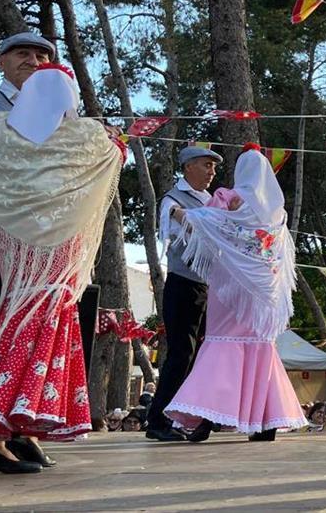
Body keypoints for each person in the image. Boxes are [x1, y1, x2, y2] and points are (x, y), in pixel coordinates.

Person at [0, 63, 123, 474]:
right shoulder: (87, 138)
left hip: (14, 262)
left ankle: (12, 428)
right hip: (56, 260)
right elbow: (114, 157)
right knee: (35, 332)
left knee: (12, 329)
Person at [162, 148, 308, 442]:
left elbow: (208, 224)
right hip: (263, 293)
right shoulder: (276, 210)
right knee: (260, 350)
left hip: (230, 289)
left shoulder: (229, 199)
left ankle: (204, 420)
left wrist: (175, 212)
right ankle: (266, 424)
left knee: (221, 348)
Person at [146, 144, 223, 442]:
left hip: (209, 286)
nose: (212, 172)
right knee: (181, 354)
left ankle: (189, 417)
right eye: (206, 165)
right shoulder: (171, 200)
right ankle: (157, 421)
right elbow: (182, 231)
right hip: (183, 283)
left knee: (204, 353)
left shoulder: (210, 201)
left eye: (213, 167)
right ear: (188, 166)